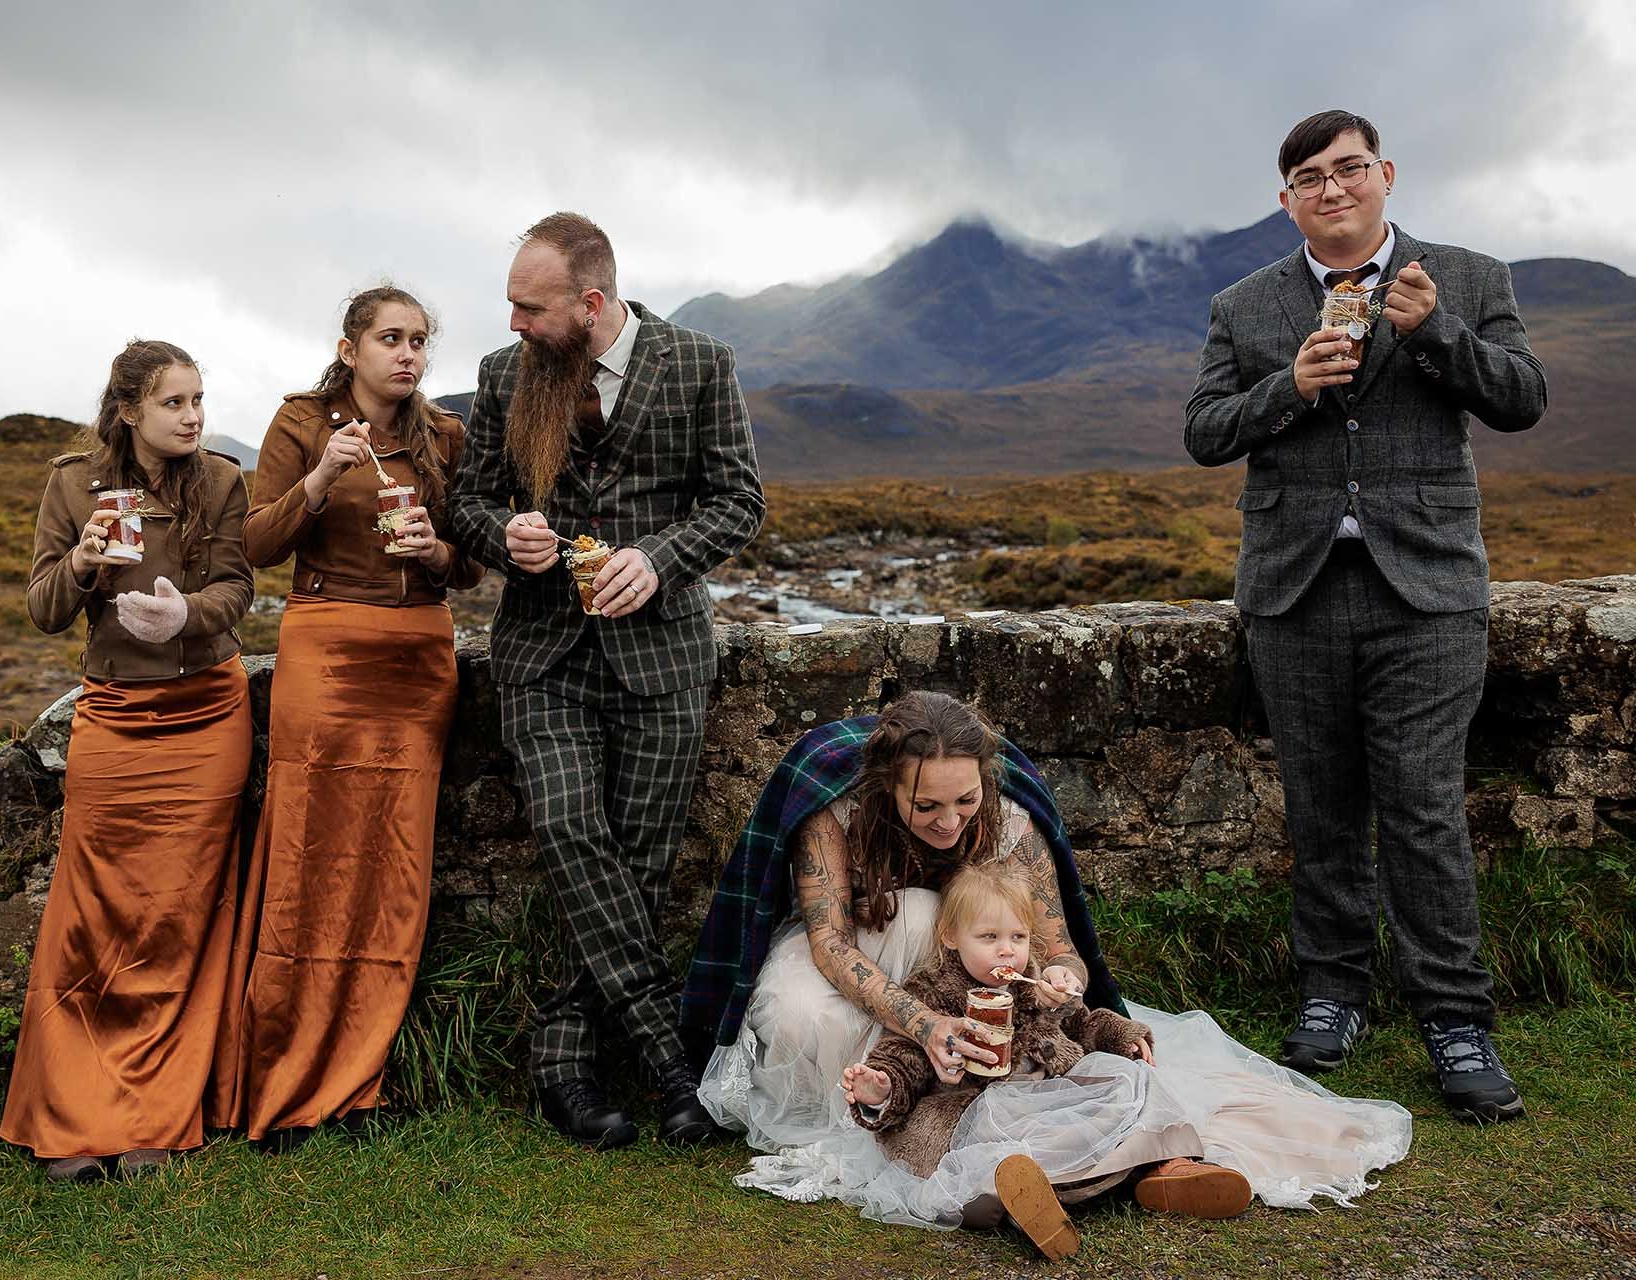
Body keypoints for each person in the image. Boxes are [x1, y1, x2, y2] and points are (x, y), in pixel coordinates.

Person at [682, 691, 1411, 1232]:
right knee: (816, 1004)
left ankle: (1151, 1163)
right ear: (886, 787)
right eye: (925, 806)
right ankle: (896, 1112)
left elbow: (1058, 951)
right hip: (874, 964)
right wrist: (928, 1024)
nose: (948, 823)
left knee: (1079, 1059)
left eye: (963, 801)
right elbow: (831, 944)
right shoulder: (835, 808)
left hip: (982, 981)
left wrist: (1067, 982)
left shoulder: (1011, 825)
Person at [1185, 110, 1547, 1121]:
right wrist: (1285, 387)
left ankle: (1456, 1020)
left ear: (1385, 174)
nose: (1332, 187)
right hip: (1295, 589)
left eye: (1350, 169)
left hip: (1427, 588)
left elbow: (1523, 397)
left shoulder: (1467, 278)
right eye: (1310, 176)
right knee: (1320, 800)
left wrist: (1438, 334)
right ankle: (1333, 993)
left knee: (1425, 804)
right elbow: (1205, 430)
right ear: (1287, 196)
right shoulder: (1244, 303)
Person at [448, 212, 766, 1149]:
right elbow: (467, 503)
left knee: (641, 859)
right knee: (568, 827)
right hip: (540, 657)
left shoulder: (700, 363)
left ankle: (563, 1055)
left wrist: (661, 559)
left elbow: (740, 499)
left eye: (528, 306)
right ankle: (674, 1061)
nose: (511, 324)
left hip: (662, 656)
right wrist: (504, 538)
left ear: (591, 304)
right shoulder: (506, 377)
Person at [212, 286, 482, 1147]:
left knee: (393, 870)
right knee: (306, 861)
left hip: (417, 659)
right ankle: (284, 1089)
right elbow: (253, 546)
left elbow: (468, 561)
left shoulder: (445, 436)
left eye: (418, 341)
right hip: (326, 652)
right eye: (390, 339)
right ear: (350, 345)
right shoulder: (300, 421)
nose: (407, 355)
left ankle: (355, 1084)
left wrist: (434, 550)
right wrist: (324, 477)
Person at [1, 339, 254, 1180]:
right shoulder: (73, 483)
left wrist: (186, 616)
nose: (192, 417)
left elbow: (237, 588)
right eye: (175, 404)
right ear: (128, 412)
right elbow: (41, 608)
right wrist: (79, 564)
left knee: (179, 914)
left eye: (197, 401)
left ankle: (155, 1114)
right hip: (114, 715)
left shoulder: (220, 480)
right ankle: (75, 1114)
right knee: (96, 913)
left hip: (208, 713)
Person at [841, 862, 1242, 1258]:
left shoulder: (1034, 982)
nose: (1007, 950)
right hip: (974, 1111)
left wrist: (1114, 1034)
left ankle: (1170, 1165)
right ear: (950, 937)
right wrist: (882, 1086)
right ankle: (1022, 1198)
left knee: (1127, 1077)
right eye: (989, 937)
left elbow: (1081, 1027)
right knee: (978, 1164)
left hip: (1045, 1096)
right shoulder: (932, 991)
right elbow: (902, 1055)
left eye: (1018, 936)